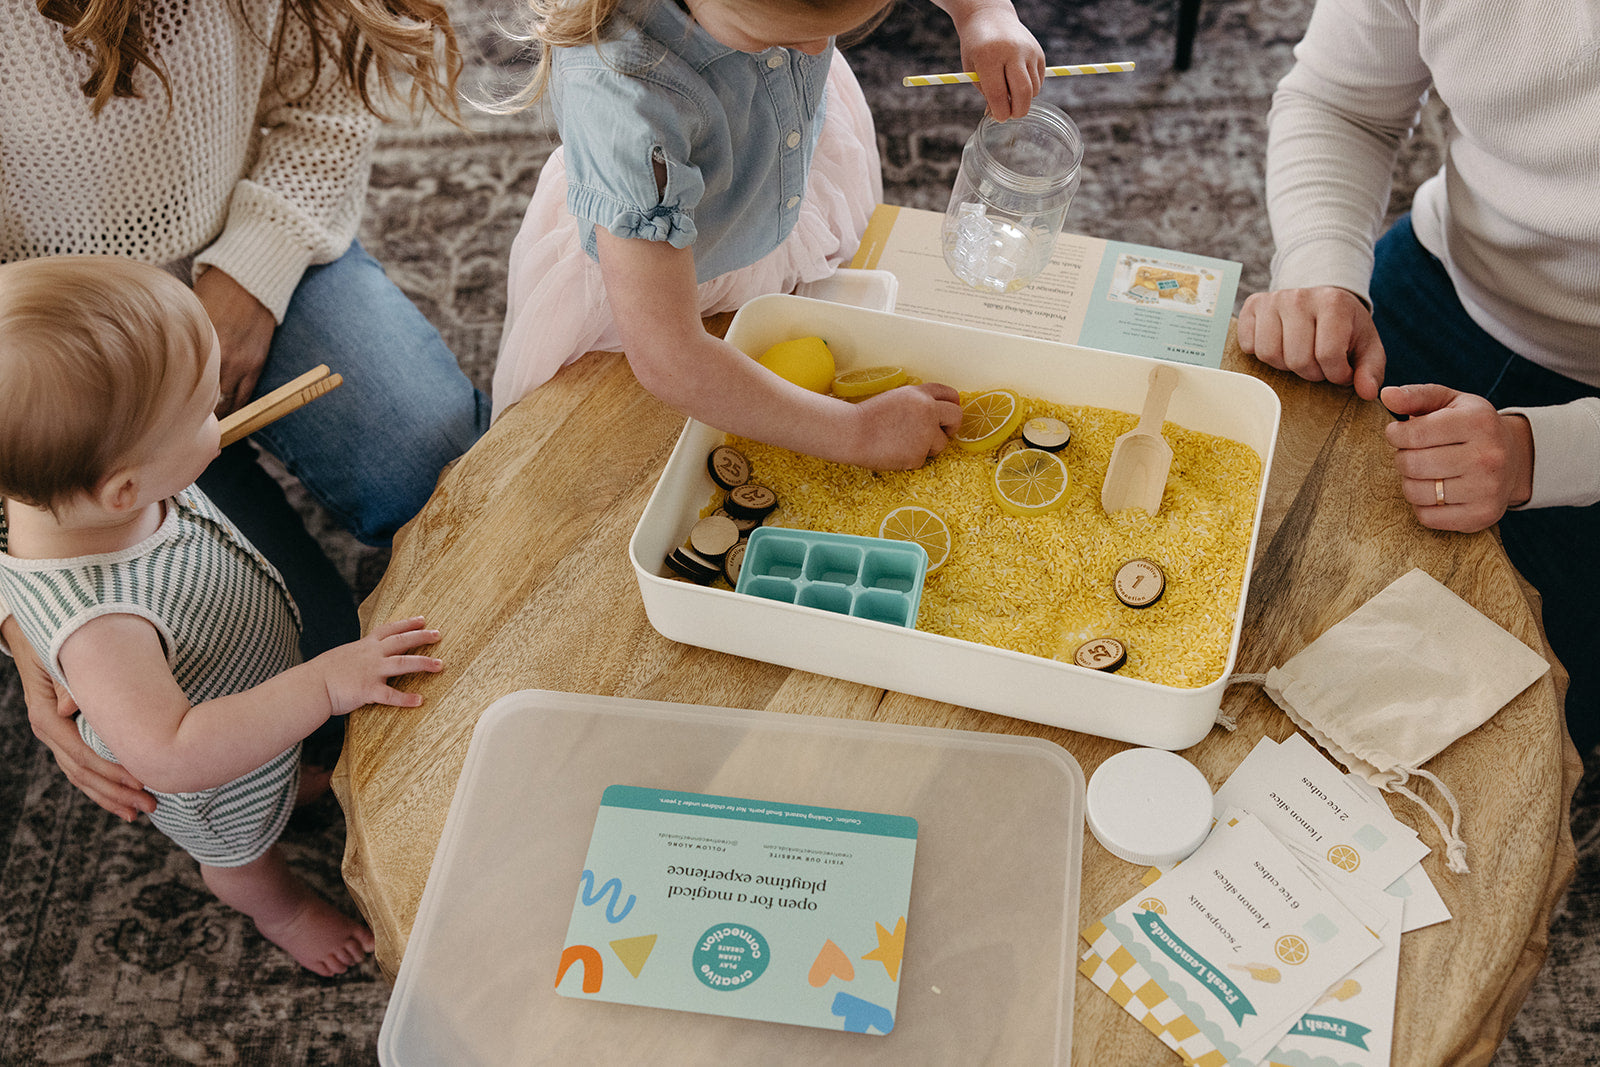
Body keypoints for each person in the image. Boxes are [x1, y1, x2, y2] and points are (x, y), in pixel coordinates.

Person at [2, 0, 489, 817]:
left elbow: (326, 113)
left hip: (233, 237)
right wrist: (26, 611)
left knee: (441, 463)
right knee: (297, 663)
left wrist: (249, 276)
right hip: (40, 368)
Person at [0, 257, 445, 975]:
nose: (222, 414)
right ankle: (282, 909)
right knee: (241, 858)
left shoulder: (86, 494)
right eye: (206, 412)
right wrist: (325, 686)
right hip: (214, 778)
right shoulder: (101, 627)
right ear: (124, 489)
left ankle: (286, 771)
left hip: (236, 674)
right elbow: (173, 753)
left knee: (287, 751)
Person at [1236, 0, 1600, 752]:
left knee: (1489, 729)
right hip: (1444, 273)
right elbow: (1341, 103)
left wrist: (1547, 451)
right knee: (1235, 569)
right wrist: (1322, 267)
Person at [492, 0, 1045, 469]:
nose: (814, 52)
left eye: (833, 30)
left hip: (777, 168)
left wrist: (982, 11)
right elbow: (670, 357)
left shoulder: (779, 23)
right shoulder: (627, 102)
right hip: (656, 276)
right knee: (649, 452)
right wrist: (857, 432)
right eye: (787, 34)